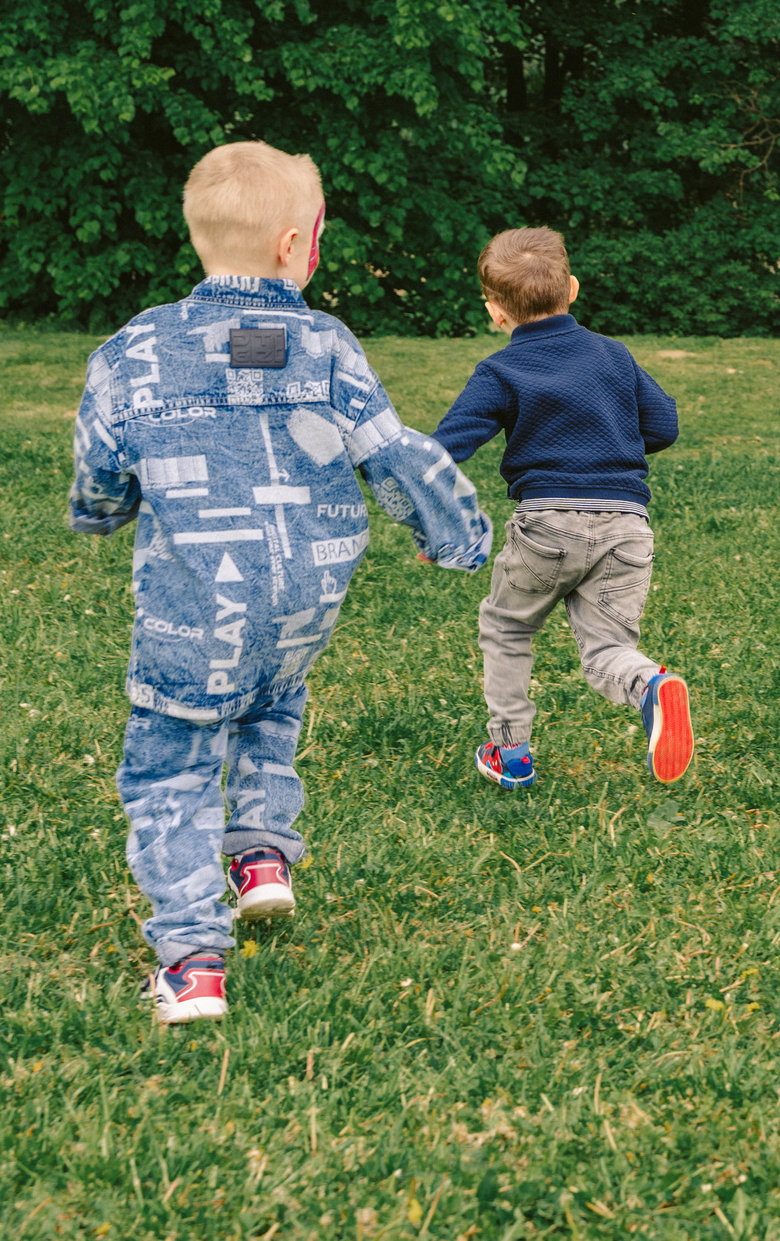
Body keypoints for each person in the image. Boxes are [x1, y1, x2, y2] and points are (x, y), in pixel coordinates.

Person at [70, 142, 491, 1024]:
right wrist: (455, 533)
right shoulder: (326, 344)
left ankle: (191, 961)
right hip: (303, 606)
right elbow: (395, 450)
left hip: (194, 617)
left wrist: (103, 511)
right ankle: (261, 854)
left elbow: (102, 476)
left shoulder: (131, 350)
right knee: (270, 708)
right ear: (296, 245)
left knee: (171, 770)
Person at [433, 228, 689, 792]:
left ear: (495, 312)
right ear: (571, 288)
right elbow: (663, 426)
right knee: (608, 650)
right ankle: (649, 684)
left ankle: (511, 754)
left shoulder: (499, 372)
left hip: (547, 527)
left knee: (506, 626)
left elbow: (445, 450)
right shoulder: (613, 355)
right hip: (627, 526)